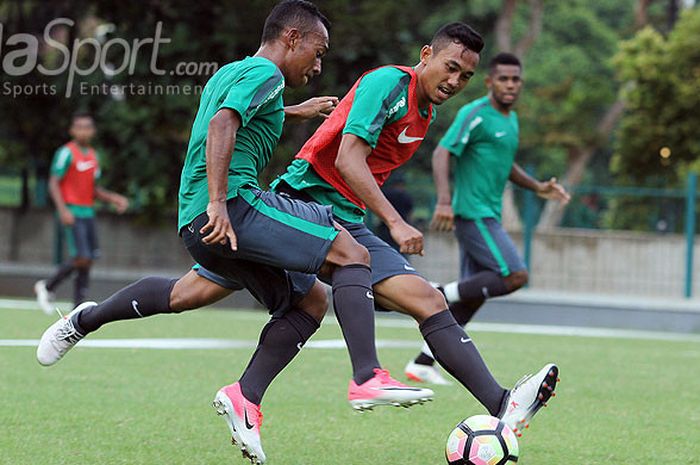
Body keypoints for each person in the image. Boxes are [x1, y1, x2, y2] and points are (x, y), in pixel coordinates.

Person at [36, 2, 431, 464]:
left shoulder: (234, 73)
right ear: (291, 39)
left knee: (296, 302)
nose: (319, 64)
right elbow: (224, 124)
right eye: (317, 52)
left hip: (196, 221)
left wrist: (293, 112)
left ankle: (90, 324)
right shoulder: (268, 74)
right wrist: (220, 202)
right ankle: (367, 376)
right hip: (235, 207)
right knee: (351, 252)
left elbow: (233, 114)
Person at [405, 52, 570, 386]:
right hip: (472, 213)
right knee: (514, 275)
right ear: (490, 82)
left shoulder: (511, 120)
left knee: (475, 294)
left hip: (488, 214)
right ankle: (439, 291)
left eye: (516, 79)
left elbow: (505, 164)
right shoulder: (474, 113)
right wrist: (444, 201)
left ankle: (423, 361)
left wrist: (538, 187)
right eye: (504, 79)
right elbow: (442, 151)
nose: (510, 85)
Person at [34, 112, 129, 315]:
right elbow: (53, 183)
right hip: (72, 211)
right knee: (81, 256)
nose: (83, 131)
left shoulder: (94, 156)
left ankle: (77, 307)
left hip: (88, 212)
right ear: (72, 130)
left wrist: (114, 198)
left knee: (89, 258)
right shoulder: (66, 153)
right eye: (79, 127)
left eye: (87, 127)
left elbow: (93, 189)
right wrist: (63, 209)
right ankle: (48, 286)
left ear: (93, 131)